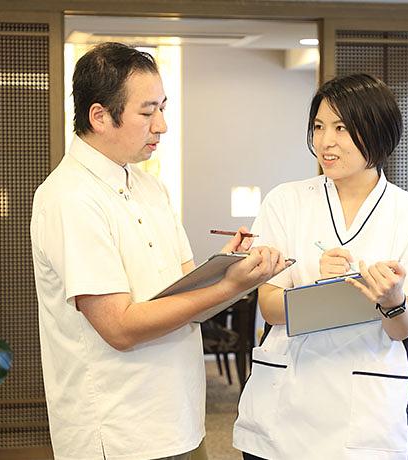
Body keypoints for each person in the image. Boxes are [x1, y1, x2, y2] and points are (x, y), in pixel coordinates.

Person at [30, 42, 287, 460]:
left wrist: (229, 271)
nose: (162, 125)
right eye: (148, 112)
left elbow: (186, 295)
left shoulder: (151, 188)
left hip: (180, 416)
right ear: (99, 116)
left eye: (162, 109)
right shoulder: (69, 198)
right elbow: (119, 327)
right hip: (118, 431)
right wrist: (228, 287)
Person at [232, 73, 408, 460]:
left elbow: (402, 329)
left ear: (377, 131)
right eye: (319, 127)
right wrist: (318, 287)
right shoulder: (285, 201)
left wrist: (392, 300)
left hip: (364, 410)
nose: (325, 142)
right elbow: (269, 306)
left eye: (342, 128)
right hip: (286, 400)